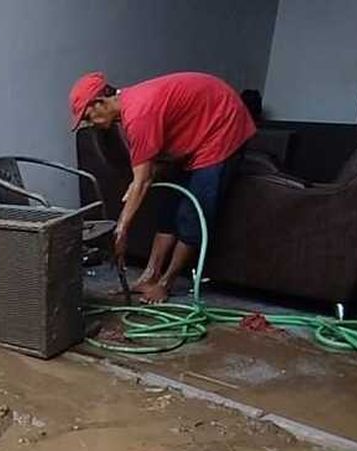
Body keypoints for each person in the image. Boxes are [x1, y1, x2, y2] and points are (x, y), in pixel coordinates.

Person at [70, 71, 256, 303]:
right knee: (168, 207)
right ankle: (150, 276)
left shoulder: (138, 114)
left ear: (100, 102)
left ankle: (166, 282)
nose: (91, 123)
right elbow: (148, 168)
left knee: (193, 212)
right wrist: (138, 183)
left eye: (89, 116)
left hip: (223, 126)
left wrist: (121, 230)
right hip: (196, 132)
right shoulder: (129, 113)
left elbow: (144, 180)